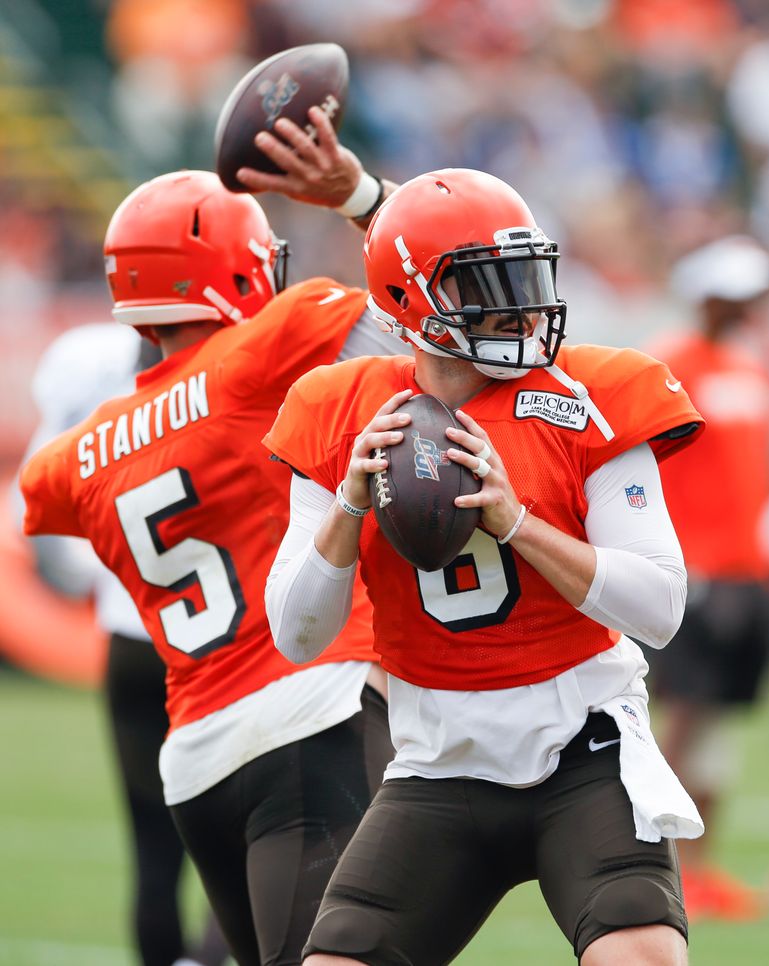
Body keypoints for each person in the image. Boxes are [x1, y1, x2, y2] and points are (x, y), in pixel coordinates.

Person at [264, 167, 708, 966]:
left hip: (585, 746)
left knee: (640, 959)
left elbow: (661, 606)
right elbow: (297, 636)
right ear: (411, 305)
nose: (523, 306)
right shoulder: (339, 409)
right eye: (489, 286)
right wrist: (349, 507)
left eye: (528, 276)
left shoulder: (594, 392)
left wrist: (519, 523)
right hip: (438, 762)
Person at [20, 108, 405, 966]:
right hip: (306, 713)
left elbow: (35, 505)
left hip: (196, 758)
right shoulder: (266, 348)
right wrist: (362, 199)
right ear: (229, 272)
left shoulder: (73, 458)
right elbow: (427, 318)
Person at [19, 322, 230, 966]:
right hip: (225, 640)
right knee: (253, 839)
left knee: (153, 849)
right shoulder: (237, 354)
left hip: (131, 632)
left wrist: (99, 574)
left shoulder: (86, 359)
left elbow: (37, 494)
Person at [645, 235, 769, 922]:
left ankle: (703, 865)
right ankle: (665, 865)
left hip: (750, 571)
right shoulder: (676, 365)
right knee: (686, 716)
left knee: (721, 720)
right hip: (699, 572)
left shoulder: (746, 366)